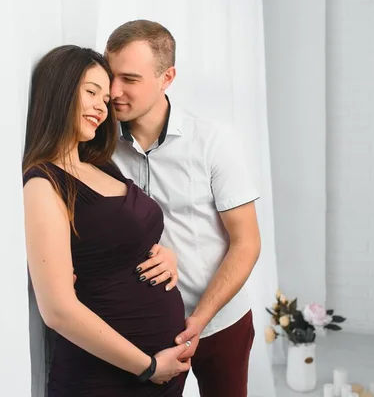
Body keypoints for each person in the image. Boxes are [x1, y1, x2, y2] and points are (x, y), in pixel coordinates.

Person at [22, 45, 191, 397]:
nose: (103, 106)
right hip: (106, 378)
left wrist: (165, 254)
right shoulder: (43, 183)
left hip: (158, 373)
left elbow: (121, 243)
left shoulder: (99, 164)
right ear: (60, 92)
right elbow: (57, 310)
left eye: (106, 97)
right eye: (91, 92)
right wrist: (149, 367)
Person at [105, 20, 262, 397]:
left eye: (130, 79)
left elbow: (247, 243)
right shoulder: (99, 147)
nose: (113, 92)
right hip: (141, 331)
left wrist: (200, 319)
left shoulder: (214, 142)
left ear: (167, 77)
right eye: (110, 76)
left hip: (220, 322)